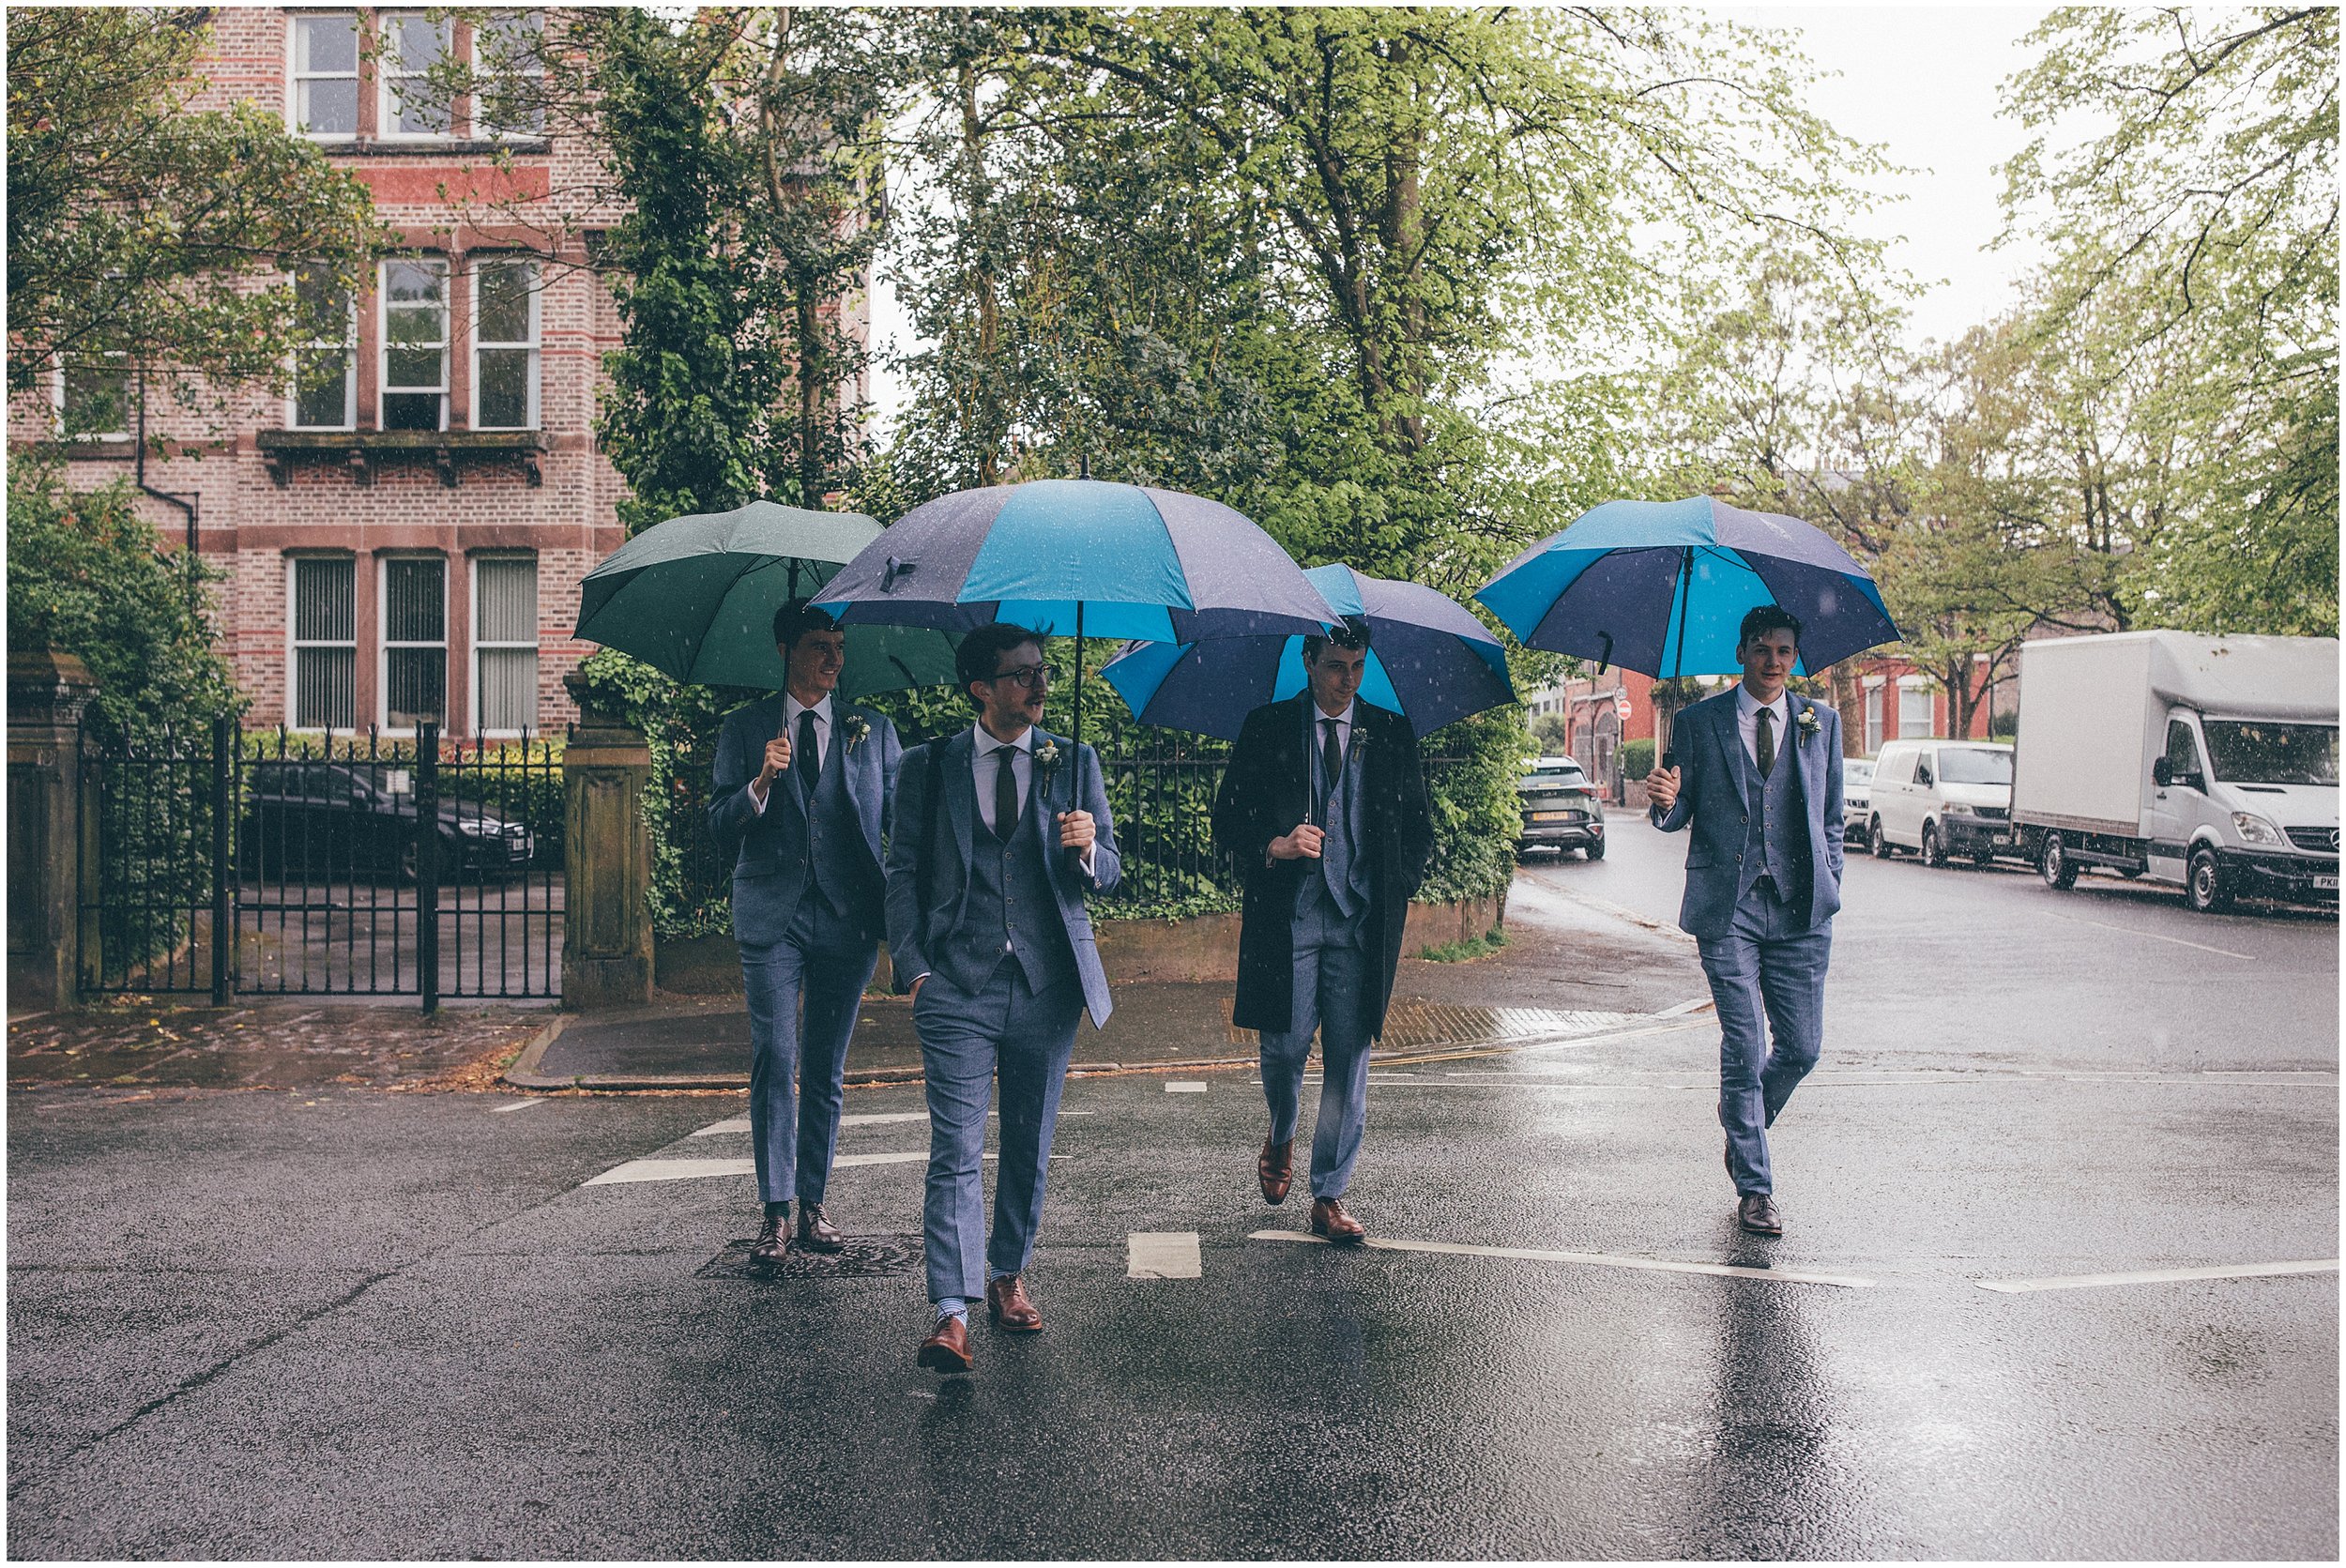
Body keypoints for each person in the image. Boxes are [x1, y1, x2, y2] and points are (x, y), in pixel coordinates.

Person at [885, 623, 1120, 1374]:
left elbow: (1112, 870)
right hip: (956, 982)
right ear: (981, 687)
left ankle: (1008, 1271)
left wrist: (1087, 847)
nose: (1039, 685)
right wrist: (916, 969)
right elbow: (902, 874)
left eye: (1042, 672)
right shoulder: (928, 766)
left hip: (1046, 984)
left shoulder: (1072, 760)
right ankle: (951, 1312)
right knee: (954, 1148)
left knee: (1028, 1143)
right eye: (1021, 674)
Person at [1211, 617, 1433, 1244]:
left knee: (1349, 1059)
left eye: (1358, 666)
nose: (1348, 679)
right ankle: (1281, 1130)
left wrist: (1397, 888)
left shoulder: (1389, 732)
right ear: (1308, 660)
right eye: (1336, 665)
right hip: (1292, 918)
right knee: (1283, 1050)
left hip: (1361, 924)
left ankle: (1329, 1192)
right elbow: (1227, 821)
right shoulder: (1267, 727)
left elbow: (1419, 830)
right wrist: (1274, 845)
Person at [708, 601, 903, 1268]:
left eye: (840, 646)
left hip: (847, 918)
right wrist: (760, 782)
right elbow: (716, 825)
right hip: (774, 917)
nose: (835, 659)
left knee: (826, 1067)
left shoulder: (871, 729)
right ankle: (775, 1212)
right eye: (821, 645)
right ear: (786, 648)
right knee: (775, 1056)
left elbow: (904, 821)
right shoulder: (746, 729)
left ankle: (814, 1202)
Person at [1644, 604, 1844, 1237]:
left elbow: (1832, 817)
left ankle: (1742, 1123)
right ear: (1742, 652)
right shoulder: (1699, 722)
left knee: (1803, 1047)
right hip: (1726, 906)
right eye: (1762, 647)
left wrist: (1831, 876)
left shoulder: (1822, 722)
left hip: (1800, 907)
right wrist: (1667, 803)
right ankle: (1756, 1188)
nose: (1774, 660)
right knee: (1744, 1041)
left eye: (1784, 649)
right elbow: (1676, 814)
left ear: (1795, 655)